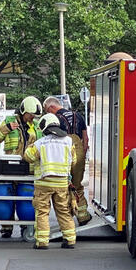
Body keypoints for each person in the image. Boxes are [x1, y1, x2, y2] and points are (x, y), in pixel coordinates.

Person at [23, 113, 77, 249]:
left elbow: (28, 157)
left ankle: (42, 242)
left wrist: (30, 145)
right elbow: (74, 161)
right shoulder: (69, 141)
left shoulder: (41, 143)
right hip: (62, 183)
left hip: (43, 183)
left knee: (42, 212)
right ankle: (69, 240)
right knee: (64, 211)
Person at [0, 96, 43, 237]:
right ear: (23, 111)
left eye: (34, 116)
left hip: (29, 169)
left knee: (25, 199)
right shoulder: (9, 121)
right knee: (7, 197)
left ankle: (25, 226)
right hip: (10, 168)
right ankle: (6, 227)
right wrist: (6, 129)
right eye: (30, 115)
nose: (32, 118)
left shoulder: (37, 126)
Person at [43, 95, 92, 225]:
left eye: (47, 111)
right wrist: (82, 153)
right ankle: (83, 216)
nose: (48, 114)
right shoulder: (78, 115)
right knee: (77, 185)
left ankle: (67, 218)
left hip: (63, 154)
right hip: (79, 151)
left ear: (51, 107)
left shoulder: (56, 119)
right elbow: (85, 138)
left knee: (64, 187)